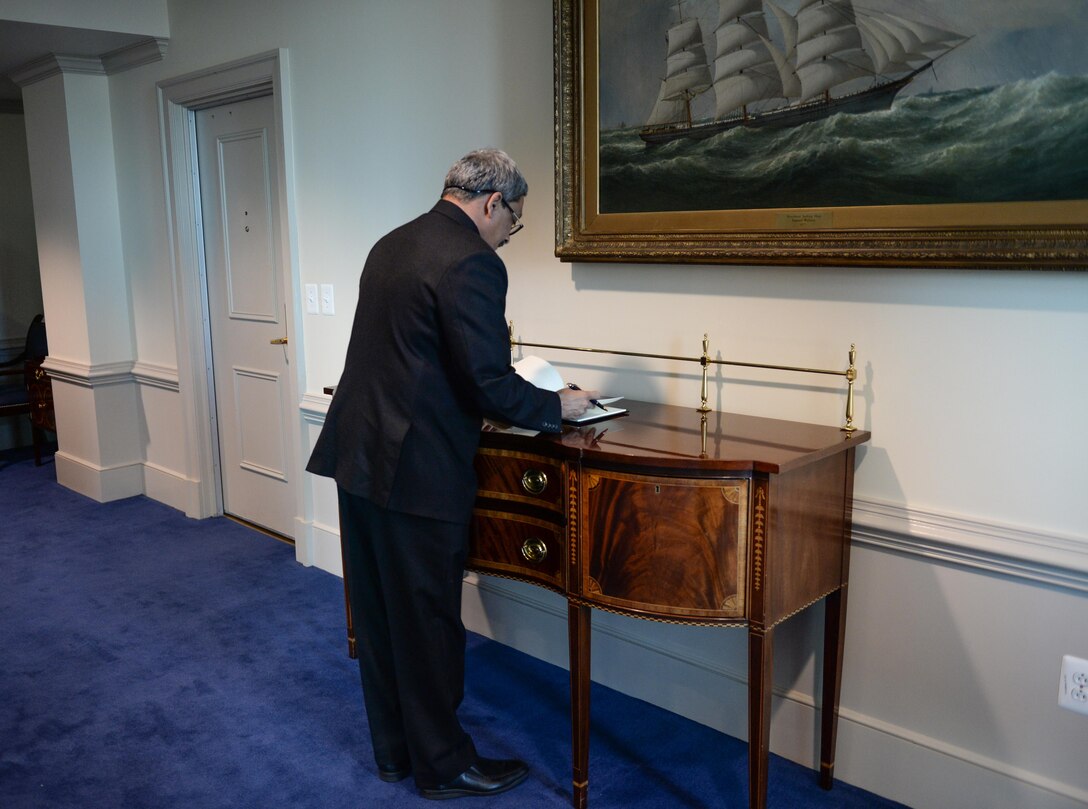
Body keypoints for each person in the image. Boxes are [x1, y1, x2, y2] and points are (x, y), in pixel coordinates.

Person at [306, 148, 596, 800]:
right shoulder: (472, 261)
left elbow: (413, 355)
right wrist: (559, 406)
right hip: (416, 466)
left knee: (380, 615)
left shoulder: (392, 242)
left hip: (357, 451)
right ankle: (444, 766)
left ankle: (395, 753)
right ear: (493, 202)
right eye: (513, 223)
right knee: (430, 620)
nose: (507, 237)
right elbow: (488, 382)